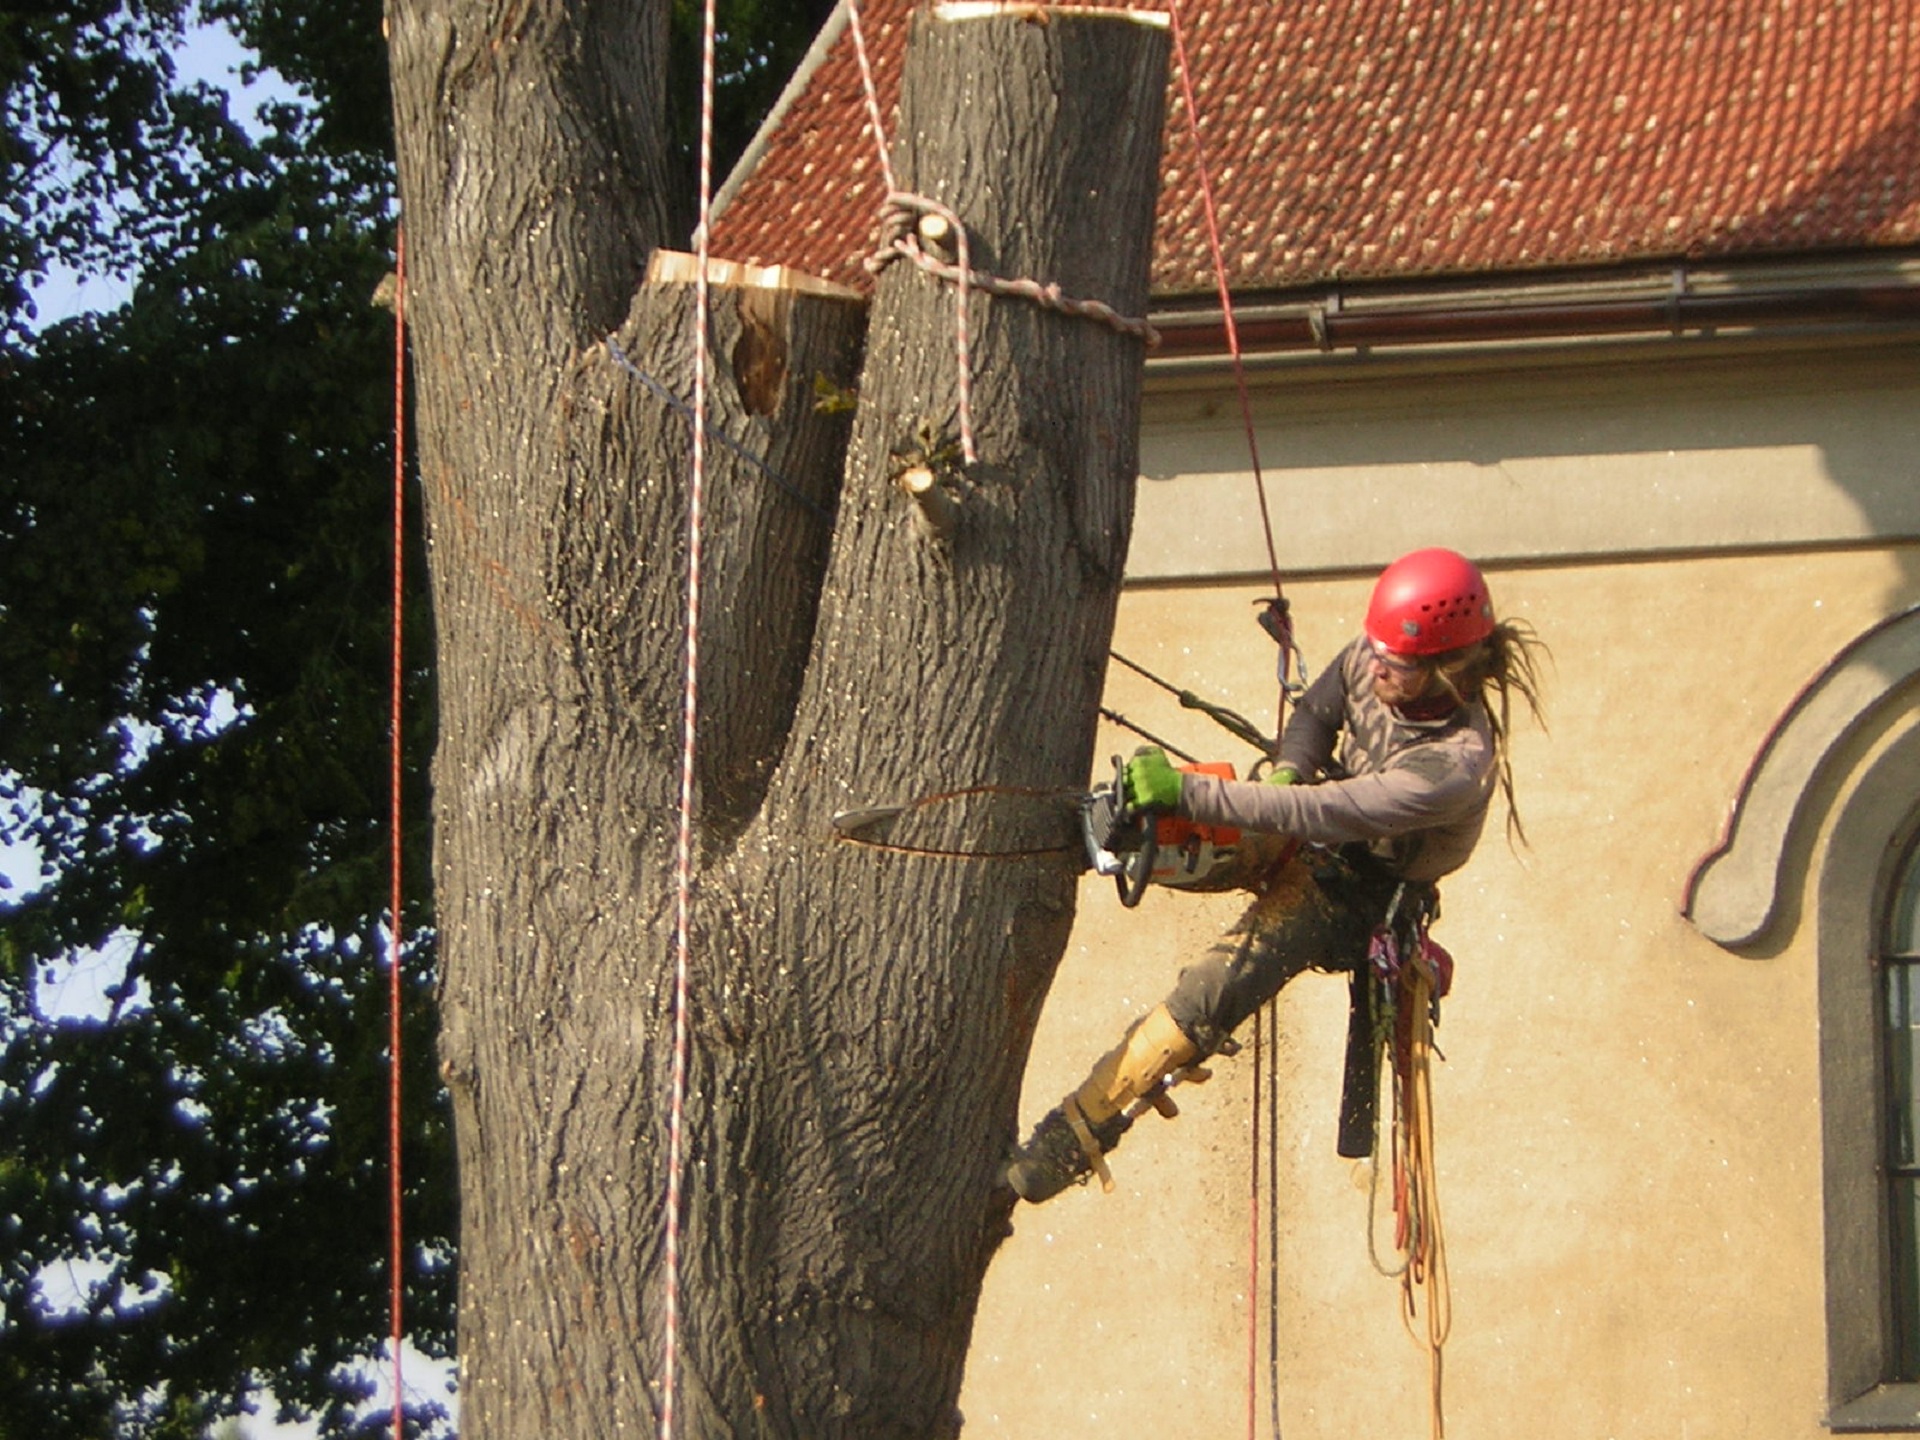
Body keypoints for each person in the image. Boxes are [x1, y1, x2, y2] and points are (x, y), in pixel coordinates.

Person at [1005, 547, 1546, 1203]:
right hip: (1312, 826)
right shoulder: (1375, 656)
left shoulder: (1453, 764)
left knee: (1212, 990)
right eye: (1375, 650)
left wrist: (1189, 792)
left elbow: (1320, 812)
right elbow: (1318, 714)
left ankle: (1069, 1141)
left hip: (1357, 897)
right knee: (1167, 830)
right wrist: (1290, 762)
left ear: (1445, 670)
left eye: (1394, 664)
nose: (1375, 666)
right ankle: (1069, 835)